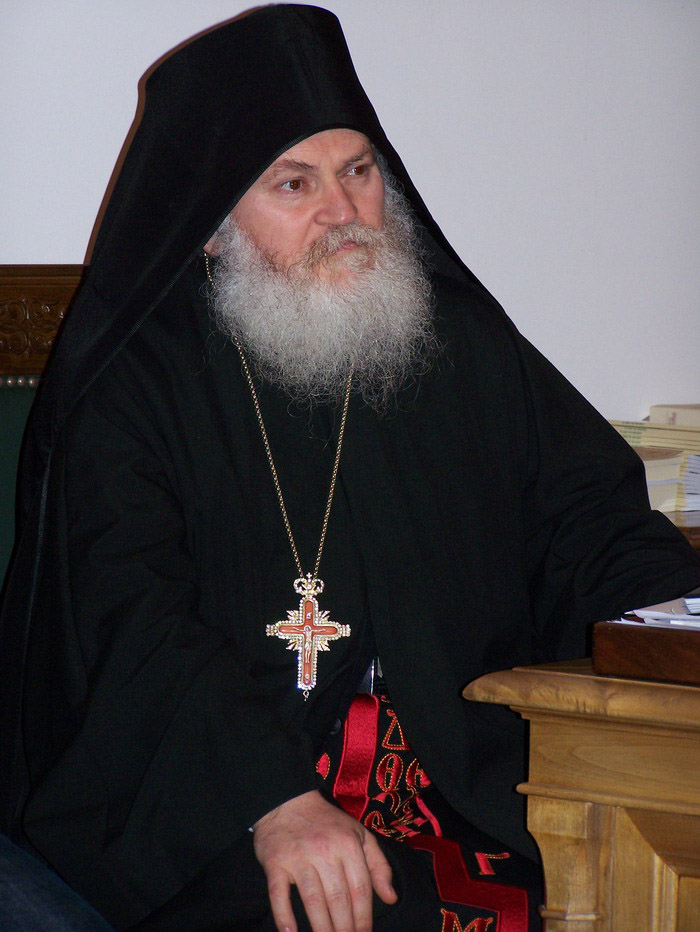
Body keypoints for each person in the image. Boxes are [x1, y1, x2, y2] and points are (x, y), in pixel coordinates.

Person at [1, 6, 698, 931]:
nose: (343, 212)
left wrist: (681, 623)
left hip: (470, 783)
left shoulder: (453, 339)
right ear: (210, 225)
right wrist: (270, 800)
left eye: (358, 171)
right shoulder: (136, 385)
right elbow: (129, 621)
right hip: (222, 802)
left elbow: (592, 525)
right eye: (294, 184)